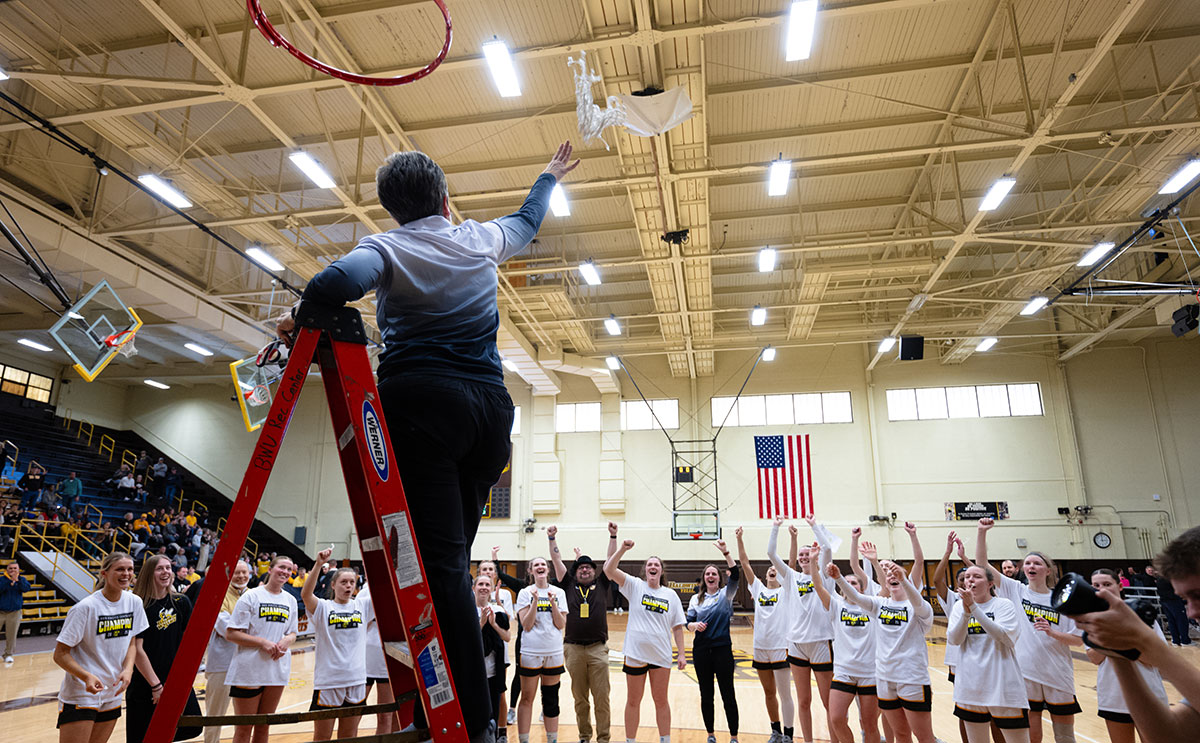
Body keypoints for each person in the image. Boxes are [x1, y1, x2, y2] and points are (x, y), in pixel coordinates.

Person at [274, 141, 580, 743]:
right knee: (450, 568)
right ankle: (451, 703)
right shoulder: (478, 238)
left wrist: (297, 314)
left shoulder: (385, 247)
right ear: (444, 198)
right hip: (490, 420)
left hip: (423, 412)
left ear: (392, 211)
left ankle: (469, 721)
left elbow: (337, 282)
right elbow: (526, 221)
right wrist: (546, 175)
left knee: (439, 573)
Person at [1072, 525, 1200, 741]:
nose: (1192, 612)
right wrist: (1117, 650)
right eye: (1186, 600)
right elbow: (1169, 736)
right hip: (1114, 698)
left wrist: (1148, 645)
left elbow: (1153, 661)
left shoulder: (1141, 618)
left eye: (1198, 595)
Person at [976, 518, 1082, 743]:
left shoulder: (1062, 600)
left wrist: (1053, 633)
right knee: (1032, 736)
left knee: (1065, 736)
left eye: (1037, 563)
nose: (1032, 567)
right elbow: (982, 565)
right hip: (1026, 673)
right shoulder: (1016, 590)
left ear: (1048, 570)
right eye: (1028, 563)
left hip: (1058, 673)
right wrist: (982, 532)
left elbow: (1077, 640)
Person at [832, 557, 936, 743]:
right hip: (884, 678)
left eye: (895, 574)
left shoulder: (918, 607)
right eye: (888, 575)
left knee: (924, 737)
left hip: (911, 678)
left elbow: (919, 603)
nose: (891, 576)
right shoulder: (880, 604)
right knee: (901, 734)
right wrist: (839, 578)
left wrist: (903, 579)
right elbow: (856, 597)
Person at [53, 552, 147, 743]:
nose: (126, 574)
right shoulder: (85, 608)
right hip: (82, 692)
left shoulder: (134, 602)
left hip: (113, 691)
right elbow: (60, 654)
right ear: (104, 574)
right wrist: (86, 676)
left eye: (130, 569)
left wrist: (128, 670)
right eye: (120, 569)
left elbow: (132, 642)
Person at [604, 537, 687, 743]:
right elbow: (609, 569)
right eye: (649, 564)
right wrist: (622, 548)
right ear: (645, 570)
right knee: (633, 700)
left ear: (661, 571)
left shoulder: (670, 595)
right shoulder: (634, 585)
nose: (653, 566)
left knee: (661, 700)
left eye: (656, 564)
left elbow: (677, 627)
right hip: (635, 654)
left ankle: (664, 739)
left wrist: (682, 654)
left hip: (661, 655)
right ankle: (630, 740)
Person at [547, 523, 618, 743]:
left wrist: (613, 535)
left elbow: (611, 559)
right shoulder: (568, 585)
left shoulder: (603, 583)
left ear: (594, 572)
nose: (585, 570)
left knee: (602, 699)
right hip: (573, 649)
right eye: (580, 568)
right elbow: (557, 561)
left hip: (598, 649)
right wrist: (552, 539)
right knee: (580, 699)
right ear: (575, 572)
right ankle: (585, 737)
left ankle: (603, 739)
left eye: (588, 567)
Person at [766, 516, 833, 743]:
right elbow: (771, 554)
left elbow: (828, 548)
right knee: (803, 701)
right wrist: (776, 527)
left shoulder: (824, 574)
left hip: (821, 642)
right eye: (801, 555)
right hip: (796, 645)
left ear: (814, 555)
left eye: (808, 554)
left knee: (828, 701)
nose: (804, 558)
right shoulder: (791, 577)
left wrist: (814, 525)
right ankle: (808, 741)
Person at [947, 565, 1030, 743]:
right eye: (967, 576)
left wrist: (974, 609)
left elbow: (1004, 637)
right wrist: (966, 613)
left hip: (1004, 687)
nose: (970, 580)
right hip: (970, 687)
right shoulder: (958, 608)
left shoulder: (1004, 605)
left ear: (991, 583)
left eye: (977, 576)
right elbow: (954, 639)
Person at [1084, 569, 1168, 743]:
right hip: (1113, 695)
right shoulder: (1090, 619)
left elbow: (1158, 657)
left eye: (1107, 584)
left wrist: (1123, 641)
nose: (1102, 589)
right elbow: (1094, 658)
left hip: (1148, 694)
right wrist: (1111, 638)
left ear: (1120, 586)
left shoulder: (1140, 613)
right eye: (1096, 585)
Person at [127, 554, 203, 743]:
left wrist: (181, 677)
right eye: (160, 568)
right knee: (141, 736)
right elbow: (137, 650)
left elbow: (189, 643)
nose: (166, 572)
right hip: (144, 681)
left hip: (174, 679)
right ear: (148, 573)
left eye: (168, 568)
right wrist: (156, 686)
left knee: (192, 725)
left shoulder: (181, 602)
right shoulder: (138, 604)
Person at [224, 555, 298, 743]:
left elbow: (293, 633)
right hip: (249, 669)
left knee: (264, 726)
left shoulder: (290, 600)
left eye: (289, 569)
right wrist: (263, 642)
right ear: (270, 569)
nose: (285, 572)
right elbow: (231, 634)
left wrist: (287, 640)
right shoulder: (251, 596)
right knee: (243, 729)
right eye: (282, 567)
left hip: (276, 668)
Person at [735, 526, 794, 743]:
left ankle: (789, 734)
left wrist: (792, 537)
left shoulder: (786, 589)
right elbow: (744, 563)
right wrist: (740, 539)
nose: (773, 569)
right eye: (770, 568)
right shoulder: (758, 589)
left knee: (785, 694)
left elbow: (793, 564)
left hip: (780, 647)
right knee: (769, 693)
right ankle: (776, 731)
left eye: (776, 568)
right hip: (760, 648)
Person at [811, 559, 879, 743]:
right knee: (837, 719)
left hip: (869, 673)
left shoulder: (872, 606)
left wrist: (874, 562)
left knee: (870, 724)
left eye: (854, 582)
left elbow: (885, 588)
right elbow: (818, 586)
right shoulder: (836, 605)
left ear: (862, 589)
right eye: (846, 583)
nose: (850, 585)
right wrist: (812, 560)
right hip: (844, 672)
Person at [302, 548, 366, 742]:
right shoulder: (323, 607)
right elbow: (306, 594)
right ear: (333, 584)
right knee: (322, 737)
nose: (348, 586)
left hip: (356, 680)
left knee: (349, 736)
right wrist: (318, 564)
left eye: (352, 582)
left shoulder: (361, 605)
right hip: (329, 682)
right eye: (343, 582)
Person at [687, 539, 741, 743]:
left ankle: (734, 736)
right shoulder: (695, 599)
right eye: (707, 573)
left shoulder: (726, 595)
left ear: (719, 578)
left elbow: (735, 574)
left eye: (714, 573)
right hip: (701, 652)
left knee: (728, 694)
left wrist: (726, 553)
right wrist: (691, 626)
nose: (710, 576)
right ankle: (710, 734)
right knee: (706, 695)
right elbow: (688, 622)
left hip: (722, 650)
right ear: (704, 578)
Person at [515, 557, 567, 743]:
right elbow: (526, 625)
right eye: (536, 565)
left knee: (551, 698)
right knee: (527, 697)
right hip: (530, 652)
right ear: (530, 570)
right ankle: (524, 740)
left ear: (548, 569)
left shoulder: (558, 592)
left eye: (543, 564)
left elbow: (560, 624)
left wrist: (553, 603)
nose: (540, 567)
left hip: (553, 652)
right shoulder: (524, 593)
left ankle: (552, 739)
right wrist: (535, 602)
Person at [205, 559, 251, 743]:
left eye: (244, 572)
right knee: (215, 715)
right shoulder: (219, 595)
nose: (240, 576)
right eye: (236, 572)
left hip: (248, 663)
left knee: (245, 717)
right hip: (222, 664)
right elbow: (227, 630)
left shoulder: (253, 595)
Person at [358, 582, 401, 738]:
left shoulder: (398, 587)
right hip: (364, 659)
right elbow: (360, 625)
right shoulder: (365, 592)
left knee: (385, 715)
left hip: (388, 659)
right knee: (355, 713)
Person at [475, 573, 512, 733]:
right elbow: (466, 639)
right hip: (474, 671)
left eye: (487, 585)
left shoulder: (498, 611)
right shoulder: (467, 610)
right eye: (480, 584)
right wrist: (481, 624)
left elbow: (507, 637)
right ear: (473, 588)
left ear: (491, 589)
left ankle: (497, 735)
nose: (483, 588)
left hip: (493, 671)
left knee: (494, 710)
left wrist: (494, 625)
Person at [0, 561, 31, 663]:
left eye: (15, 568)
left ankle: (8, 654)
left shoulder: (22, 580)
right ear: (7, 570)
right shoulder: (2, 579)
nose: (13, 570)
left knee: (11, 635)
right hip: (1, 611)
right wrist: (9, 581)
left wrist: (17, 581)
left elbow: (26, 588)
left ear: (18, 570)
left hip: (14, 612)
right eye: (11, 568)